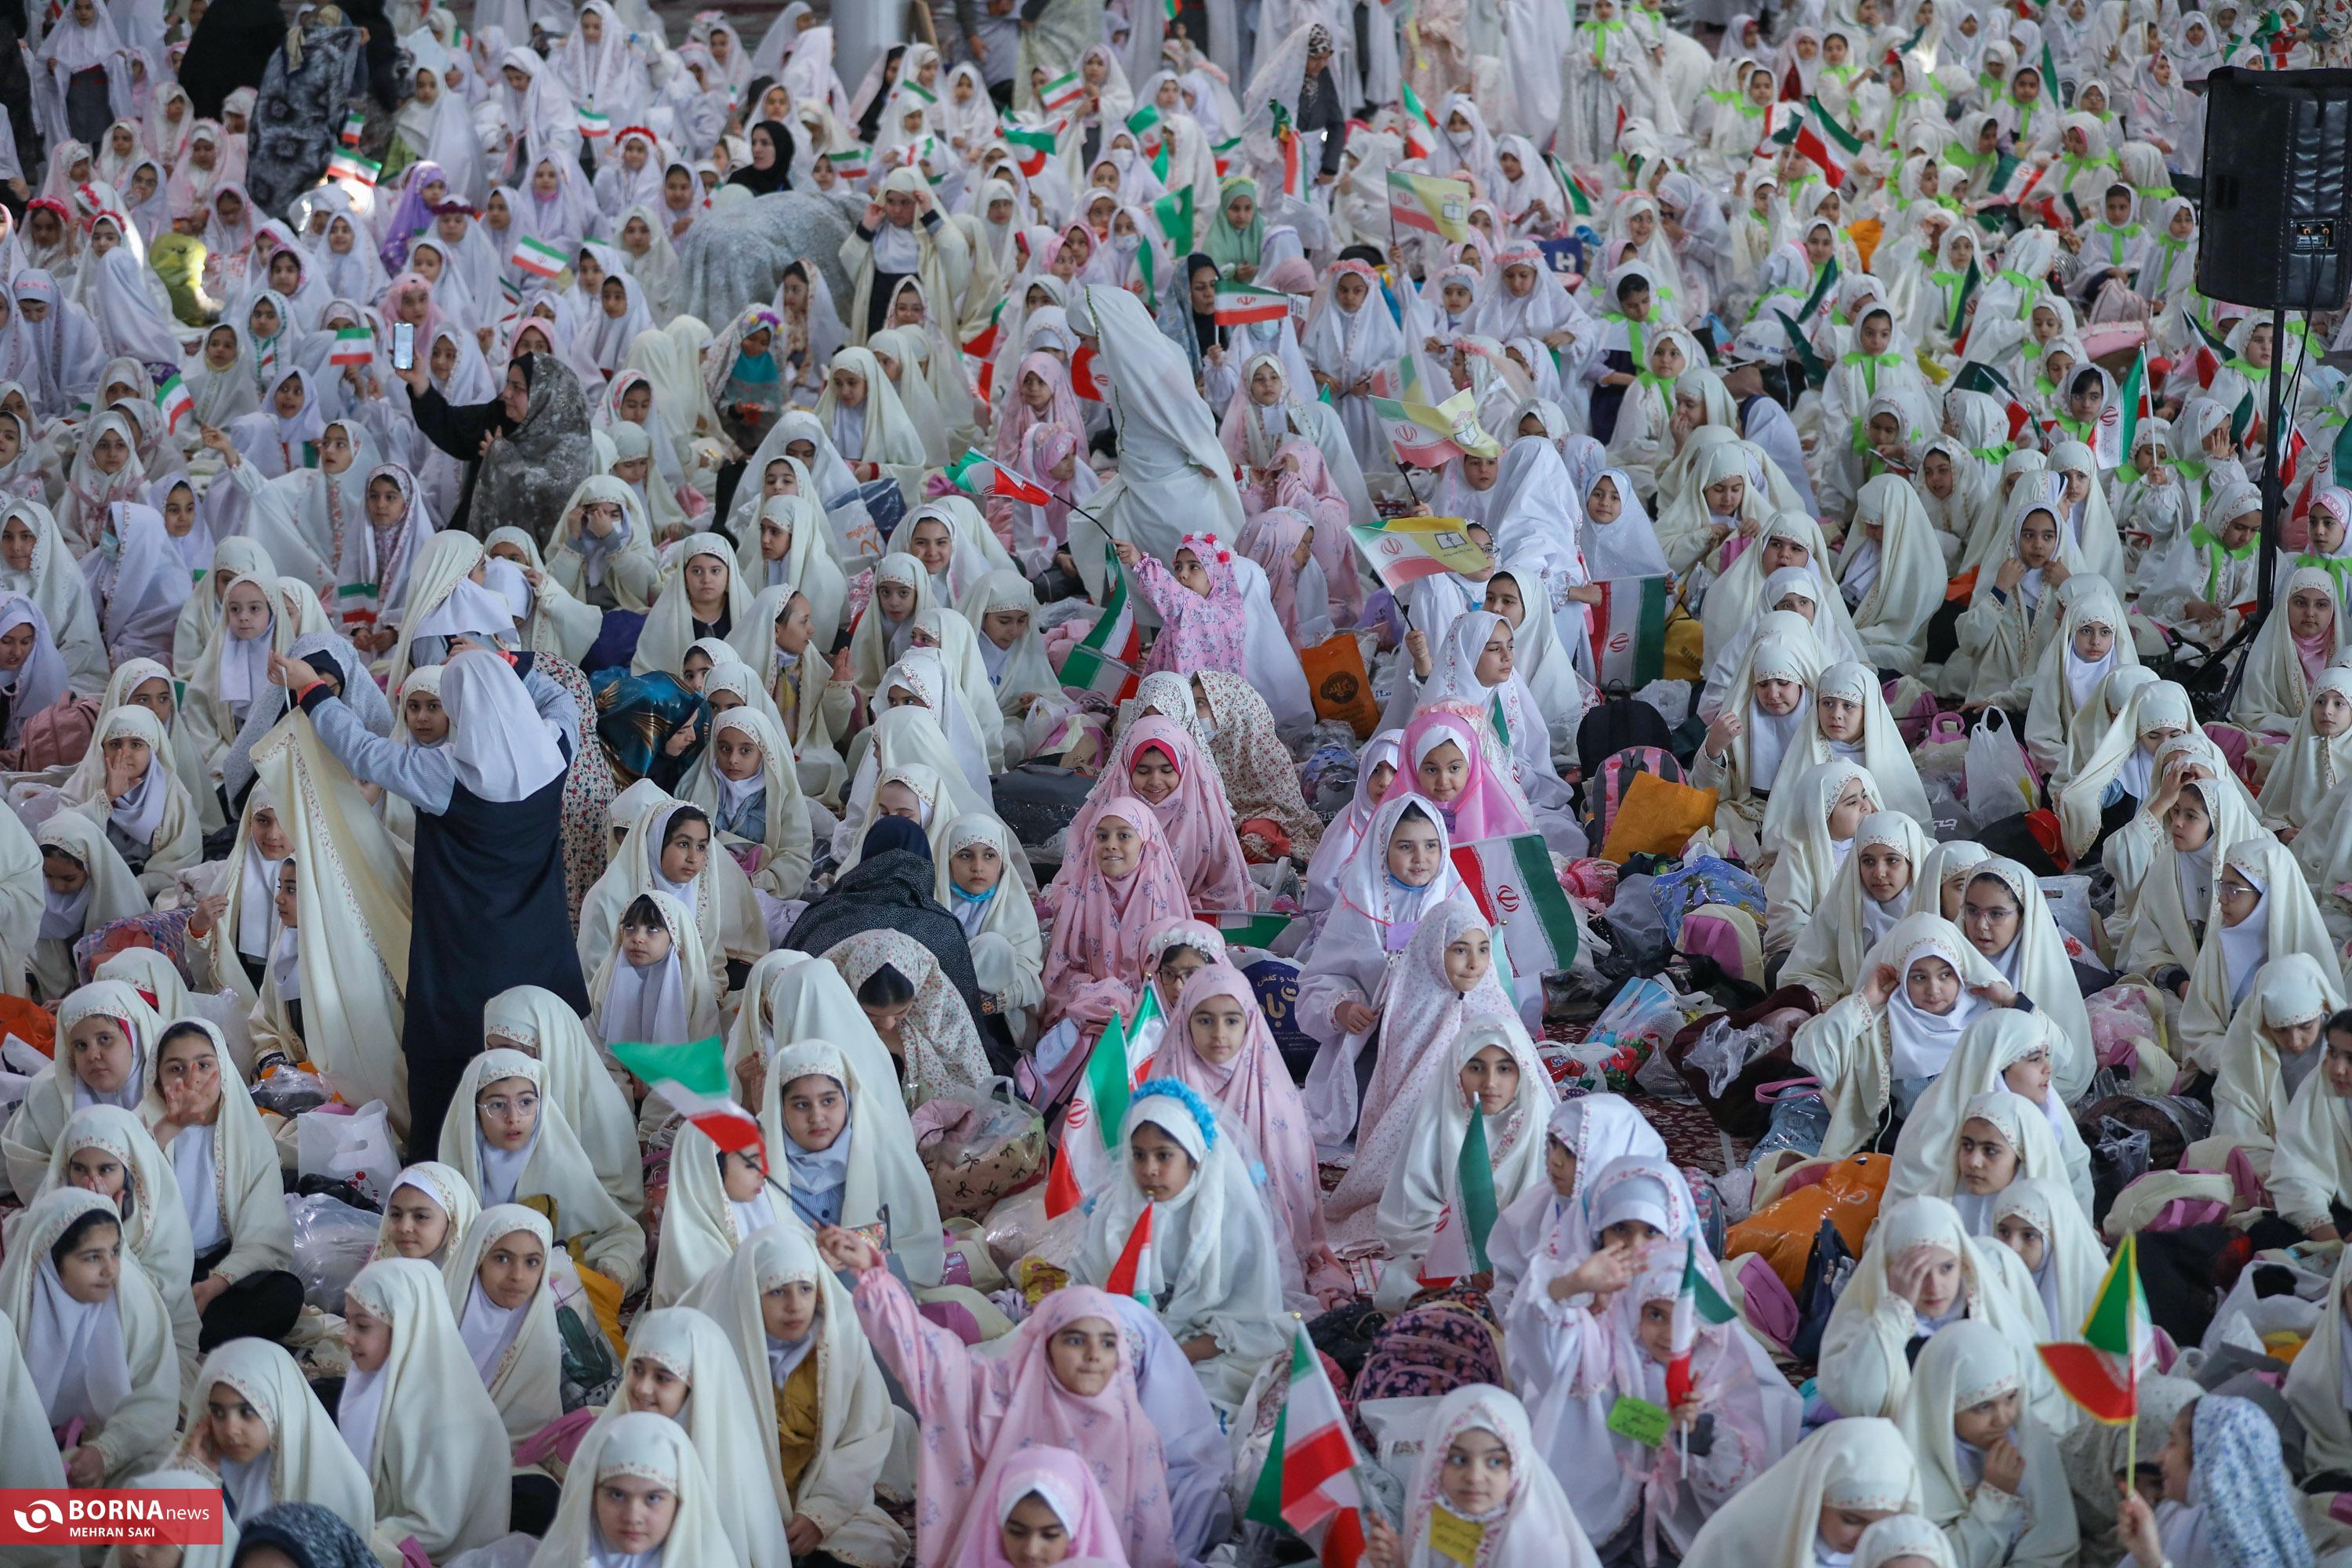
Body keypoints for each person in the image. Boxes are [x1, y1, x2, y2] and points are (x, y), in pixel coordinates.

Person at [271, 646, 586, 1156]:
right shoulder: (556, 751)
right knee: (535, 1069)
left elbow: (361, 751)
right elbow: (562, 701)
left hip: (461, 956)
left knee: (450, 1074)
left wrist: (312, 690)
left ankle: (441, 1178)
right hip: (541, 949)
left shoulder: (444, 774)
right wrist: (509, 659)